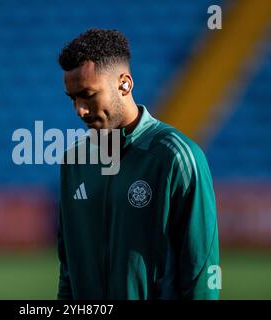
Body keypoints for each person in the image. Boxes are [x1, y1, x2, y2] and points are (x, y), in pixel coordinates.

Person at [56, 28, 220, 299]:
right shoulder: (74, 162)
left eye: (87, 94)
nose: (79, 110)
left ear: (124, 84)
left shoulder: (175, 157)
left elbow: (200, 274)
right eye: (73, 98)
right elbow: (68, 272)